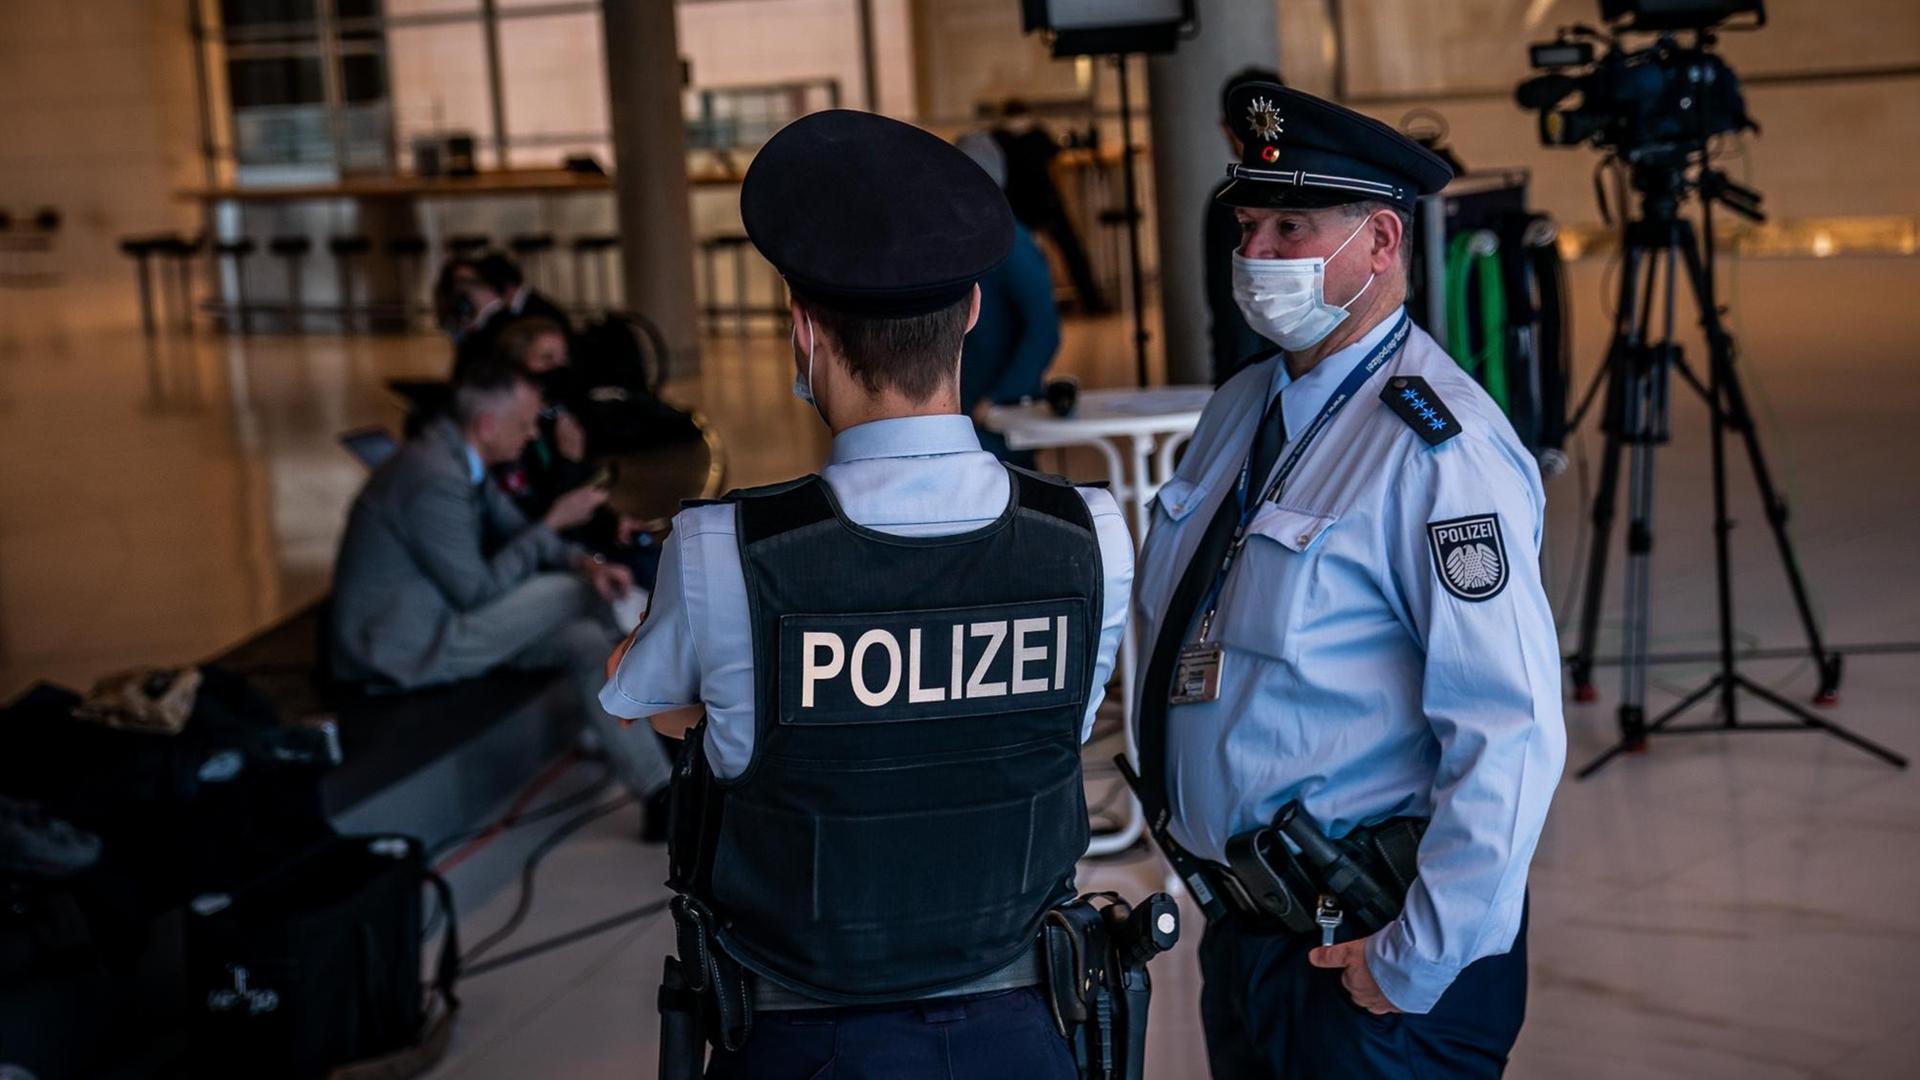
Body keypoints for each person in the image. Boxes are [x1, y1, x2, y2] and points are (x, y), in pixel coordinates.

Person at [600, 109, 1134, 1079]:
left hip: (806, 1037)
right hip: (1026, 1027)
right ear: (973, 311)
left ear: (802, 328)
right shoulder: (1088, 534)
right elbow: (1052, 717)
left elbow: (647, 702)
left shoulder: (727, 546)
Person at [1130, 82, 1564, 1078]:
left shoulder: (1438, 454)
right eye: (1248, 225)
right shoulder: (1243, 406)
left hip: (1372, 955)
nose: (1258, 256)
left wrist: (1416, 962)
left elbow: (1513, 731)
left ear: (1379, 244)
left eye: (1293, 227)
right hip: (1251, 936)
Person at [329, 356, 673, 823]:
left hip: (443, 621)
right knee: (576, 595)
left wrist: (586, 561)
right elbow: (478, 590)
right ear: (489, 424)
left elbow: (517, 532)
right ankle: (668, 707)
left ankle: (660, 791)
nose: (533, 435)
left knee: (585, 640)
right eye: (526, 424)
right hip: (406, 648)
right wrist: (558, 526)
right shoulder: (434, 476)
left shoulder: (460, 459)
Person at [954, 131, 1062, 465]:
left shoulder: (1011, 243)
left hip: (996, 416)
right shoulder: (969, 240)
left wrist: (1001, 396)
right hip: (971, 409)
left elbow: (1045, 329)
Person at [1205, 66, 1284, 385]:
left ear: (1226, 130)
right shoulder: (1322, 193)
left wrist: (1234, 386)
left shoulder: (1229, 201)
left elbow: (1230, 308)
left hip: (1254, 375)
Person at [992, 99, 1108, 314]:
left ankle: (1018, 308)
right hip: (1044, 202)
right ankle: (1092, 303)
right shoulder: (1037, 135)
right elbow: (1055, 155)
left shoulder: (998, 139)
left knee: (1016, 258)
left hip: (1016, 206)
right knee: (1071, 251)